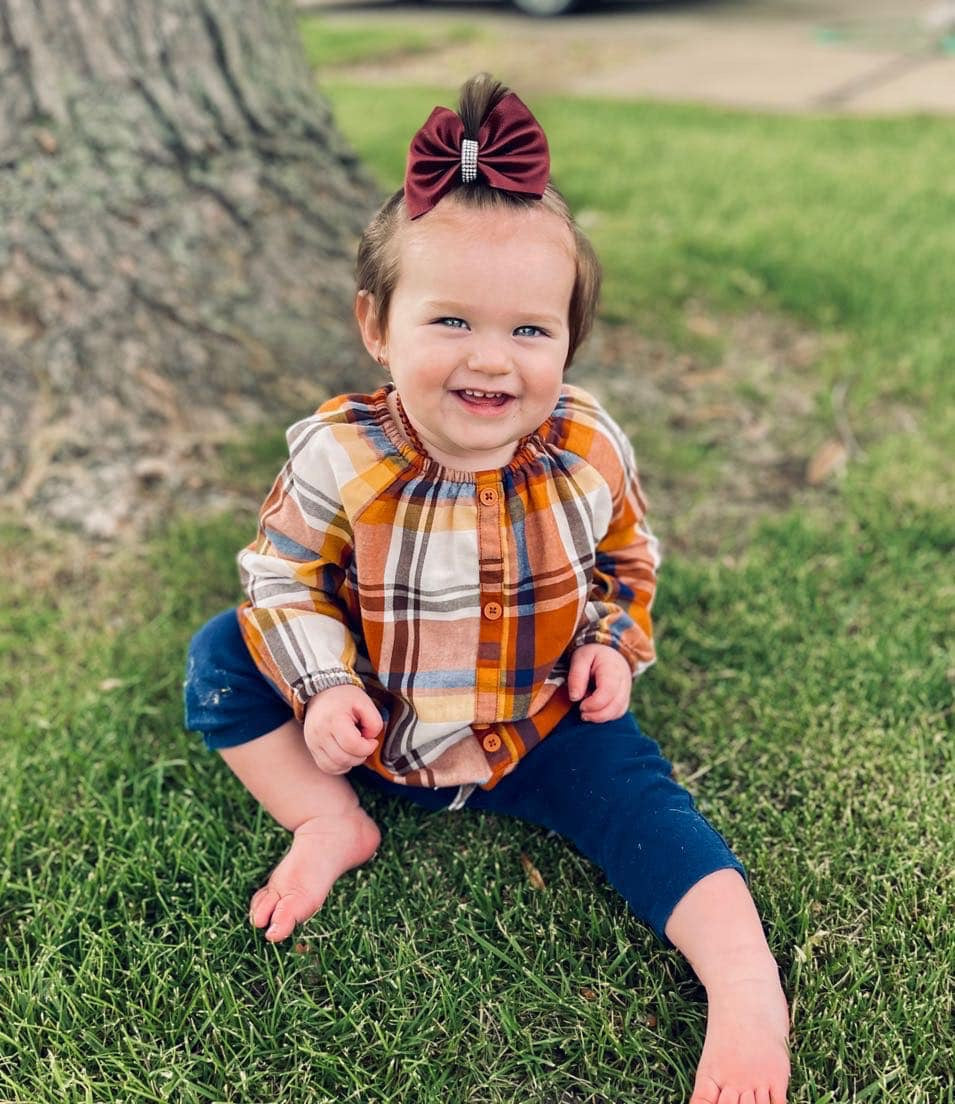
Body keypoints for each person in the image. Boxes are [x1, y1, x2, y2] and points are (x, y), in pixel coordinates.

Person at [184, 74, 790, 1104]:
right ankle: (325, 819)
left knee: (648, 811)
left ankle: (744, 985)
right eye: (451, 320)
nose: (489, 360)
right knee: (220, 655)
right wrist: (326, 687)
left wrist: (609, 639)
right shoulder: (339, 454)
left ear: (567, 341)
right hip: (374, 723)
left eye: (528, 331)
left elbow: (625, 560)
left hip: (539, 721)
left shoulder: (587, 446)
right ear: (376, 325)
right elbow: (279, 577)